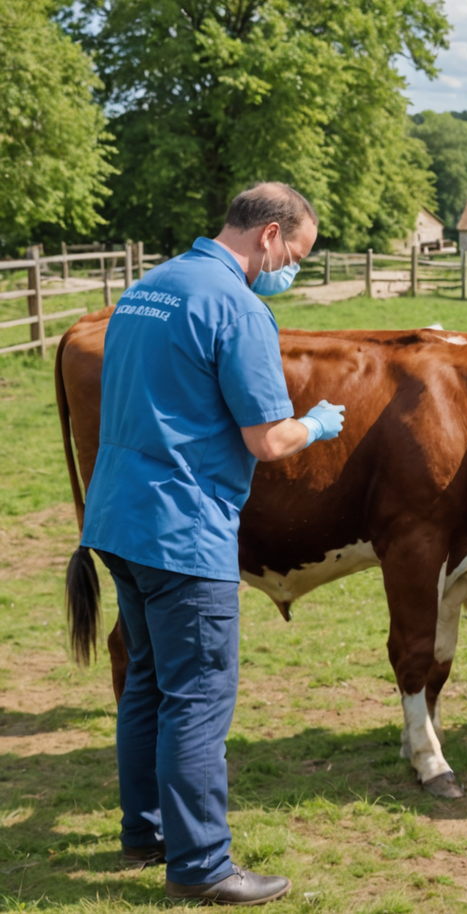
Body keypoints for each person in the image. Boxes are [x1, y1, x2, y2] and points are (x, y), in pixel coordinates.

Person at [80, 182, 347, 905]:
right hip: (181, 529)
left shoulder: (148, 287)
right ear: (268, 235)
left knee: (147, 682)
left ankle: (146, 831)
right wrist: (317, 422)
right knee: (197, 696)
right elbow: (267, 440)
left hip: (116, 518)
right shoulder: (237, 306)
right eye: (297, 252)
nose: (292, 267)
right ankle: (201, 864)